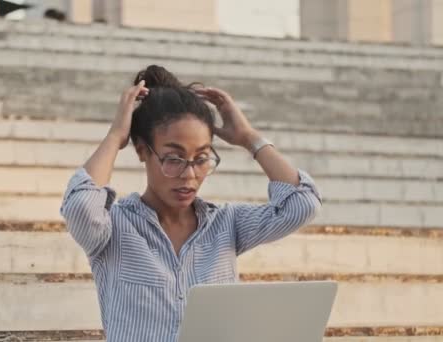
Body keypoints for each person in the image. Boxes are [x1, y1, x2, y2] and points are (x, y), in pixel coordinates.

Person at [60, 65, 322, 341]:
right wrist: (115, 137)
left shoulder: (226, 224)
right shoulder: (114, 228)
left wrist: (248, 138)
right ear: (141, 150)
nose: (190, 175)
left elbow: (302, 204)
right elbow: (81, 208)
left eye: (201, 159)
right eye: (173, 159)